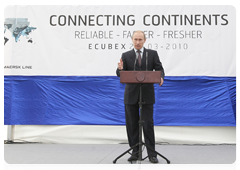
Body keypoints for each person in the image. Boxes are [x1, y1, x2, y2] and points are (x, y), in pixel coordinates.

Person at [116, 30, 165, 164]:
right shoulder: (125, 55)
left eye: (140, 40)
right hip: (131, 95)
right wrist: (120, 69)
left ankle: (152, 154)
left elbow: (160, 69)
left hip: (147, 94)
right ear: (132, 40)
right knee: (132, 124)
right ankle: (135, 152)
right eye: (135, 39)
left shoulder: (152, 54)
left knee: (147, 124)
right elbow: (121, 74)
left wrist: (161, 77)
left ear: (144, 41)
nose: (137, 42)